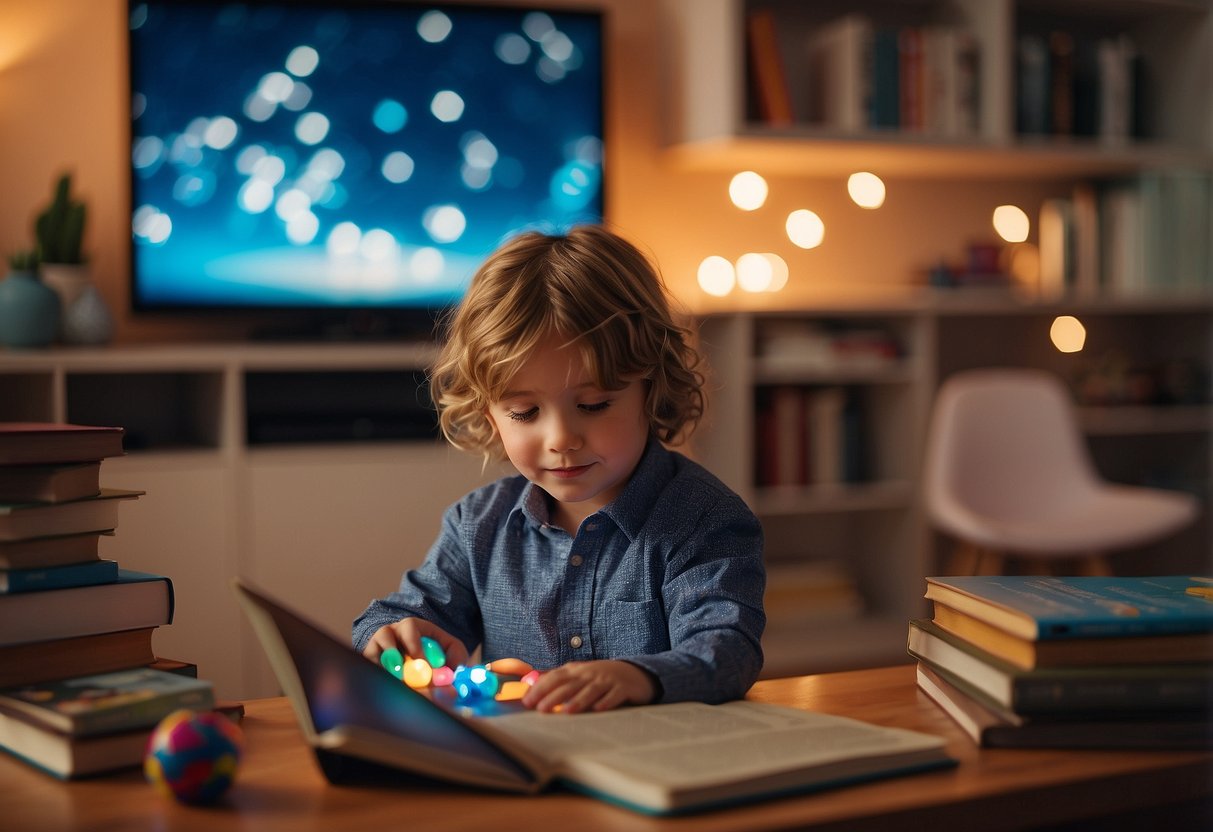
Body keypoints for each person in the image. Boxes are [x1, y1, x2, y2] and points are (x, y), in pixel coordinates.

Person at [353, 225, 765, 714]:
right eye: (524, 413)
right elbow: (405, 614)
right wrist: (390, 637)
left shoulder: (702, 519)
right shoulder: (476, 526)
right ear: (490, 415)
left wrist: (639, 677)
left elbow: (728, 651)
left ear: (650, 391)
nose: (561, 439)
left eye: (593, 404)